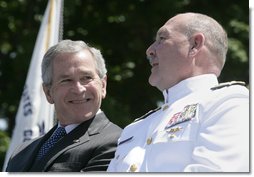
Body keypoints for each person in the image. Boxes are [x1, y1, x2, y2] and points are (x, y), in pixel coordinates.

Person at [107, 12, 249, 172]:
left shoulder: (230, 102)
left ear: (195, 45)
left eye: (162, 39)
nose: (149, 50)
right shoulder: (134, 128)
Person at [6, 39, 122, 172]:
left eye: (87, 78)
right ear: (48, 92)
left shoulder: (117, 142)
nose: (79, 89)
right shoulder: (20, 152)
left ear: (103, 85)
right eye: (66, 80)